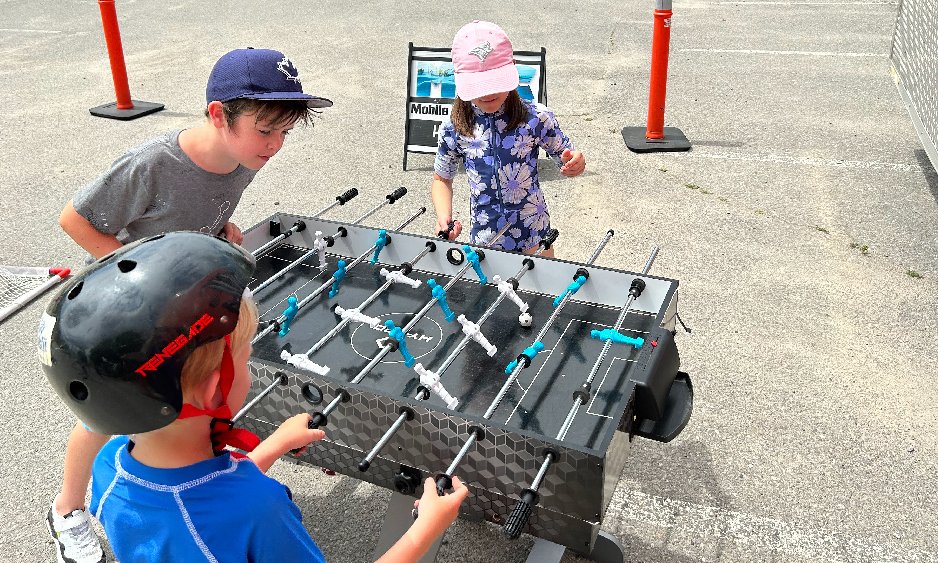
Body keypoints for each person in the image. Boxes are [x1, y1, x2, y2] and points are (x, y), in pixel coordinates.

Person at [46, 47, 334, 563]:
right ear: (219, 114)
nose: (275, 146)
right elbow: (75, 219)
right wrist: (144, 281)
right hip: (140, 316)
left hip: (194, 305)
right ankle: (68, 508)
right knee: (108, 416)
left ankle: (196, 468)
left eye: (285, 133)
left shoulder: (243, 156)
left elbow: (203, 207)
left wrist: (216, 234)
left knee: (186, 405)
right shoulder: (153, 164)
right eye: (266, 130)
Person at [39, 232, 469, 562]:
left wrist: (273, 445)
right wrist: (426, 529)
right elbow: (226, 508)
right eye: (244, 358)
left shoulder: (110, 461)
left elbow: (201, 498)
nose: (246, 367)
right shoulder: (257, 510)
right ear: (213, 388)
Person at [430, 21, 586, 258]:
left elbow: (566, 156)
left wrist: (575, 162)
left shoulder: (536, 117)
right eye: (477, 86)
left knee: (541, 292)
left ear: (512, 69)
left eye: (495, 83)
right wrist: (444, 217)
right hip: (485, 237)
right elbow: (442, 178)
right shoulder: (454, 127)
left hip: (533, 234)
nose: (488, 93)